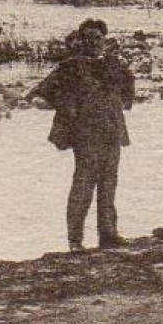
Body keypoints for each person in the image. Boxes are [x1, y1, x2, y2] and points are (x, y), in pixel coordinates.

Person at [28, 18, 136, 251]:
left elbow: (129, 92)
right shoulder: (71, 66)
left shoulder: (115, 64)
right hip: (85, 136)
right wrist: (67, 108)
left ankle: (108, 234)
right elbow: (41, 91)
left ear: (104, 40)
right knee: (83, 187)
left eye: (97, 38)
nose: (93, 42)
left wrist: (119, 103)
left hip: (112, 132)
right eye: (88, 38)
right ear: (81, 41)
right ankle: (75, 240)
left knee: (109, 185)